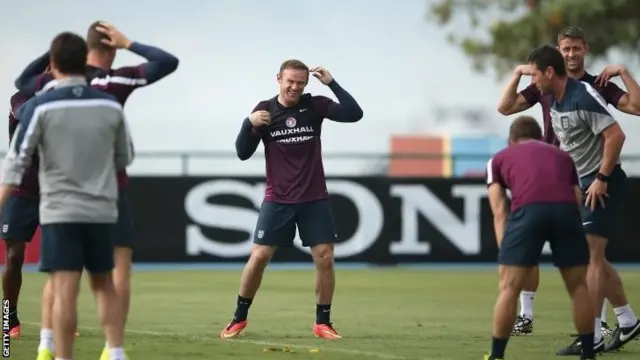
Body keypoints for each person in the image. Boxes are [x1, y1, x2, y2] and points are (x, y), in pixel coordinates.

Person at [15, 21, 178, 360]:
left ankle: (48, 344)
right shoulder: (115, 80)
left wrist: (57, 52)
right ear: (112, 48)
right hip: (109, 190)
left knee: (61, 275)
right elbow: (167, 62)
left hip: (60, 194)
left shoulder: (51, 85)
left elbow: (22, 84)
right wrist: (130, 42)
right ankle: (112, 348)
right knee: (114, 274)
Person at [497, 26, 640, 337]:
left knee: (590, 255)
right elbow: (505, 107)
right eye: (566, 49)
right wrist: (519, 73)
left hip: (591, 178)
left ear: (585, 49)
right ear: (559, 54)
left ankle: (598, 327)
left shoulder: (594, 87)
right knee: (586, 255)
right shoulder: (545, 86)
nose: (572, 54)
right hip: (559, 179)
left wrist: (625, 72)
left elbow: (636, 109)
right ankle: (625, 320)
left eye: (576, 48)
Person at [0, 31, 133, 360]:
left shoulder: (42, 105)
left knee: (64, 284)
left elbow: (16, 160)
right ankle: (114, 352)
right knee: (103, 281)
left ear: (55, 64)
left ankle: (55, 351)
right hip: (98, 208)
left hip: (58, 204)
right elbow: (124, 157)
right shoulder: (108, 104)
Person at [219, 59, 363, 340]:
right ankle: (238, 318)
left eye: (301, 82)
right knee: (259, 257)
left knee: (325, 258)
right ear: (279, 79)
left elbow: (354, 114)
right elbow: (242, 152)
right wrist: (247, 124)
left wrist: (331, 83)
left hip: (314, 198)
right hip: (279, 199)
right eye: (291, 81)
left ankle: (323, 323)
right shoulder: (264, 111)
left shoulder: (315, 106)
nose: (295, 87)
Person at [484, 115, 594, 360]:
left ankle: (496, 356)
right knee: (579, 287)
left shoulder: (499, 159)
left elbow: (500, 209)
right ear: (540, 137)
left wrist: (506, 250)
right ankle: (588, 354)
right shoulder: (563, 156)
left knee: (509, 288)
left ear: (511, 139)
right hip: (566, 211)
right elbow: (577, 197)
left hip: (528, 211)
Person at [0, 91, 35, 339]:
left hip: (55, 189)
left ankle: (63, 315)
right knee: (13, 257)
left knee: (68, 257)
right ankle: (9, 315)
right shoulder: (22, 98)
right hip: (20, 191)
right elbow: (25, 113)